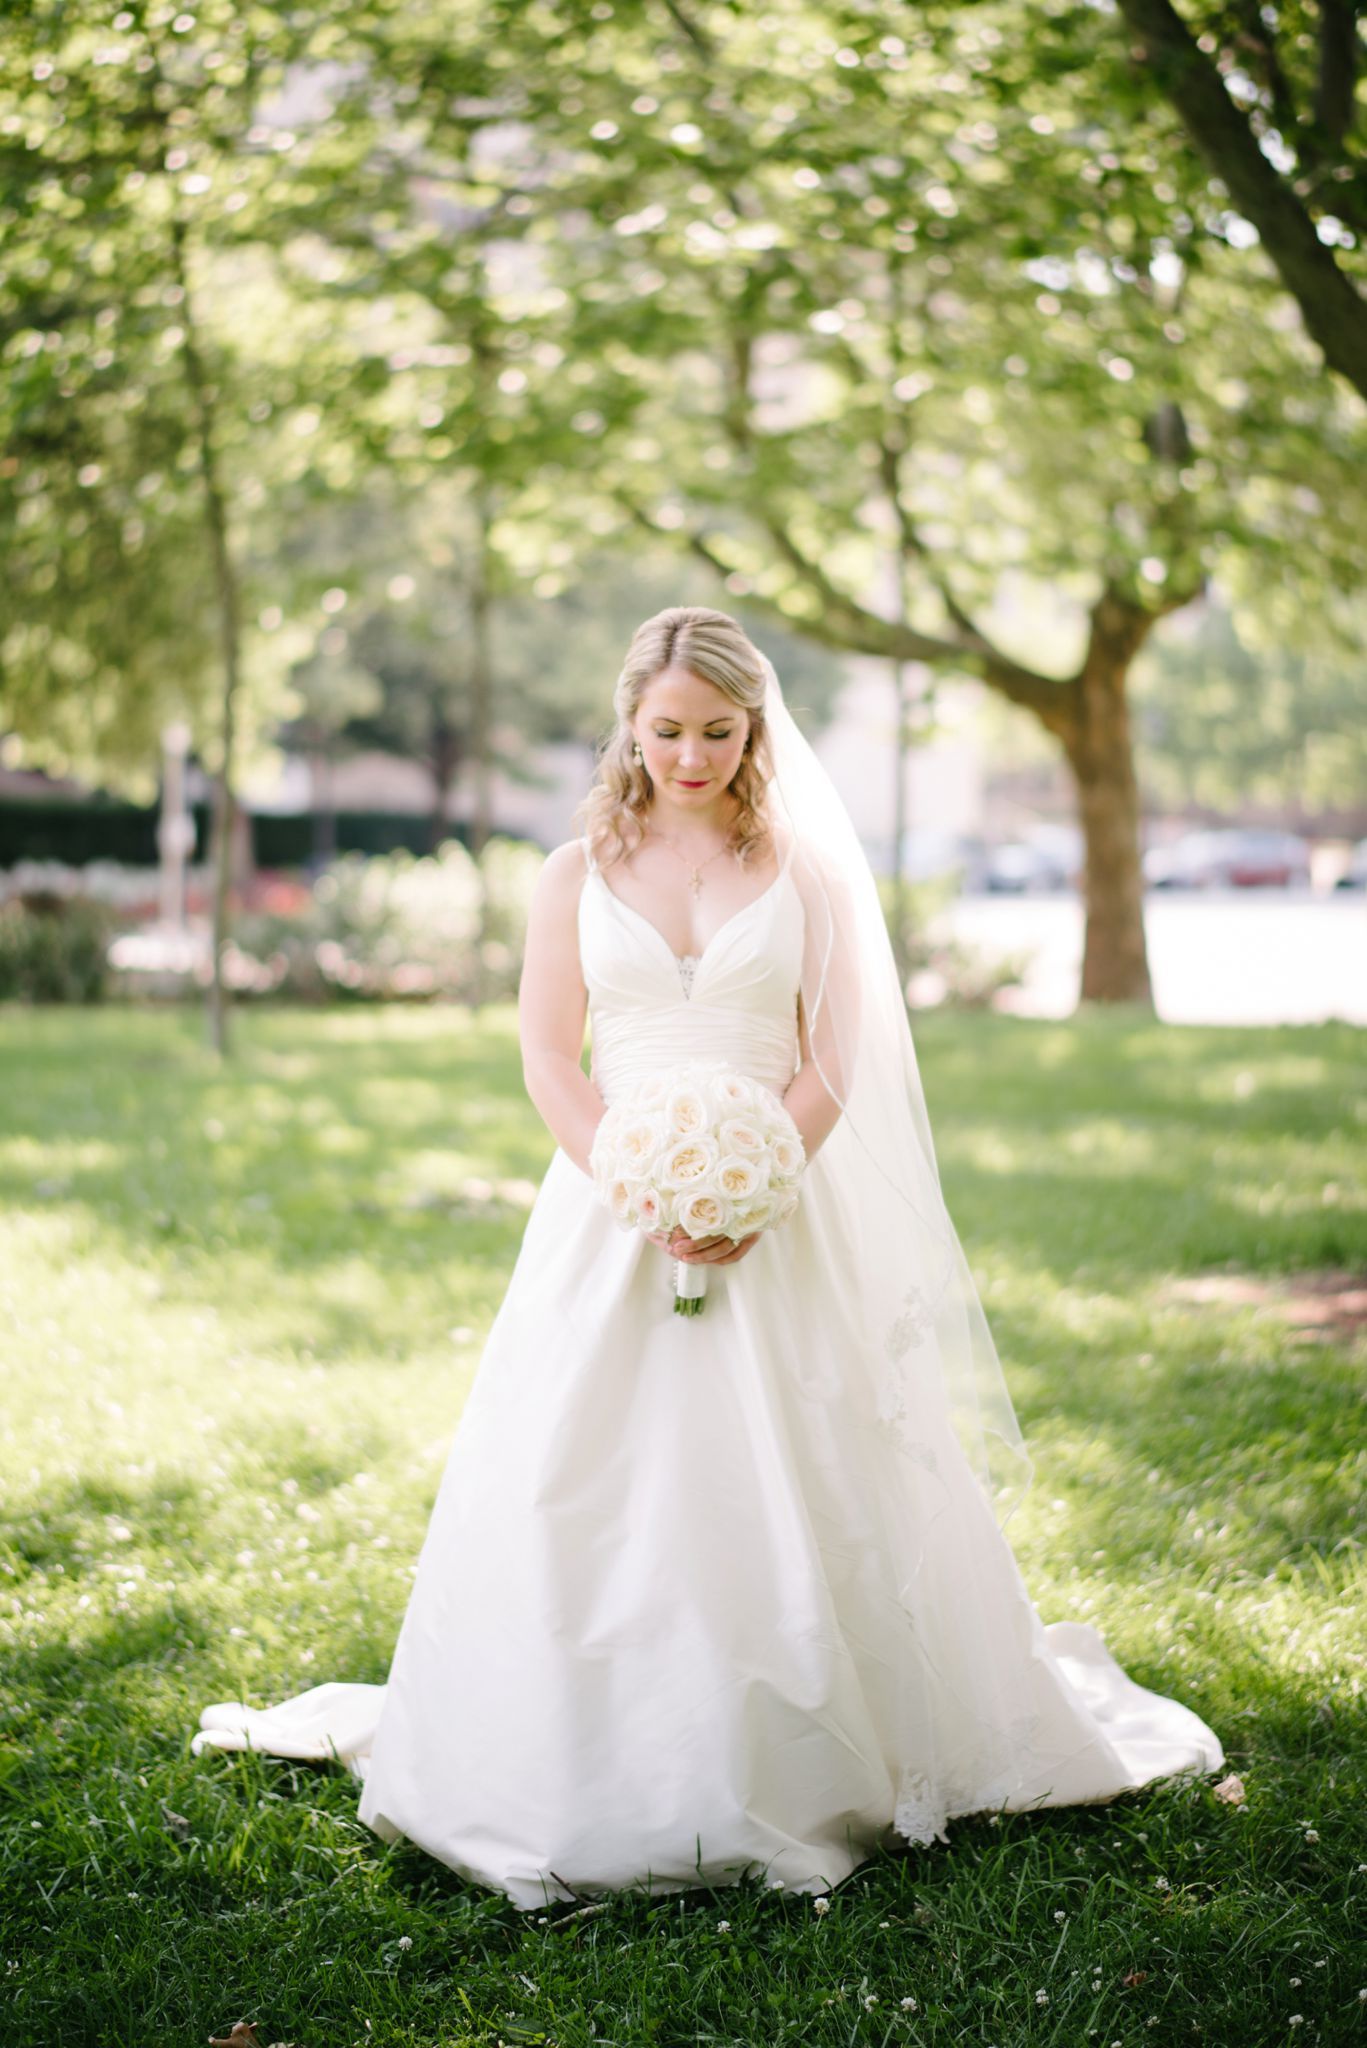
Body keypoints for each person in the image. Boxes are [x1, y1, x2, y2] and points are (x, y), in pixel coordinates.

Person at [192, 606, 1224, 1910]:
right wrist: (636, 1181)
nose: (692, 755)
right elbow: (546, 1059)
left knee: (802, 1475)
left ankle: (821, 1744)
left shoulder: (807, 873)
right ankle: (588, 1745)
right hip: (609, 1211)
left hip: (779, 1209)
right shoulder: (574, 873)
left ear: (755, 728)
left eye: (718, 732)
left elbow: (832, 1061)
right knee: (589, 1479)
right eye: (668, 729)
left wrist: (755, 1182)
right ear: (630, 720)